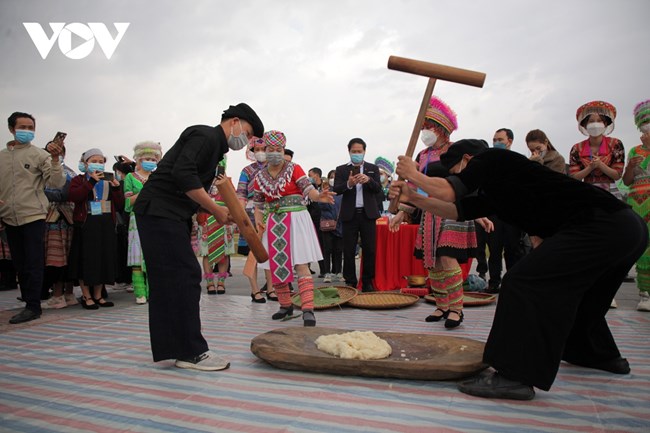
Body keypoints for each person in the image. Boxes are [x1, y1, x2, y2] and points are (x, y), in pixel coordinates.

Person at [390, 139, 647, 400]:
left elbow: (448, 192)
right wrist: (413, 198)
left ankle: (515, 375)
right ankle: (595, 354)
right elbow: (455, 210)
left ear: (468, 159)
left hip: (601, 224)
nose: (459, 178)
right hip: (629, 229)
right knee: (585, 296)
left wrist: (412, 175)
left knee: (522, 283)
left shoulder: (492, 159)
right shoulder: (498, 188)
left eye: (457, 171)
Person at [134, 103, 263, 371]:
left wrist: (218, 210)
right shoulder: (204, 135)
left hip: (170, 214)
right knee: (184, 276)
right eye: (248, 134)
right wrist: (216, 209)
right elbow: (183, 175)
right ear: (235, 121)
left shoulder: (215, 149)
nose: (246, 142)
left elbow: (189, 188)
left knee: (172, 280)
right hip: (160, 211)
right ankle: (191, 351)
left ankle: (176, 348)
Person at [389, 96, 484, 328]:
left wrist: (478, 211)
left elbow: (468, 181)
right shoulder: (421, 156)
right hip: (429, 212)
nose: (425, 131)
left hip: (453, 209)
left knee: (448, 257)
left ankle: (457, 309)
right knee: (434, 262)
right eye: (423, 127)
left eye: (429, 127)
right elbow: (414, 187)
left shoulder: (457, 151)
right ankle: (442, 305)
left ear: (442, 129)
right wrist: (402, 212)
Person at [252, 130, 335, 327]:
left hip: (296, 218)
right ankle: (285, 305)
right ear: (264, 150)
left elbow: (308, 190)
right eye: (270, 149)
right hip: (274, 221)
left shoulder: (294, 168)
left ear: (283, 150)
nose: (274, 152)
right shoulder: (260, 176)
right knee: (277, 265)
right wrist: (258, 223)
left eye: (278, 149)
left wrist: (318, 196)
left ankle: (308, 309)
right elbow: (258, 203)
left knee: (301, 264)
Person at [0, 112, 65, 324]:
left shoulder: (40, 155)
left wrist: (55, 159)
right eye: (23, 127)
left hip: (34, 215)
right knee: (19, 262)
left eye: (31, 128)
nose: (27, 131)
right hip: (9, 216)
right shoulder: (1, 156)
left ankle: (33, 306)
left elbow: (56, 182)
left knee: (33, 261)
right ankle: (28, 300)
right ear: (11, 128)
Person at [569, 100, 626, 307]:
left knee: (611, 240)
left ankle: (609, 292)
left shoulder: (615, 144)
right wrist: (590, 169)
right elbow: (574, 176)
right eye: (591, 121)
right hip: (586, 192)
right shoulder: (577, 148)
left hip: (609, 193)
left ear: (606, 123)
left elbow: (617, 173)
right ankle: (588, 288)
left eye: (599, 120)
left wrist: (600, 164)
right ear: (584, 125)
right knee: (588, 242)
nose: (595, 124)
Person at [67, 148, 124, 309]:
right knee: (87, 259)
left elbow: (120, 205)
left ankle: (98, 295)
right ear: (86, 163)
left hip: (106, 222)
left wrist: (116, 188)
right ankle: (86, 296)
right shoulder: (79, 180)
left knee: (103, 258)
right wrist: (90, 182)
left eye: (101, 162)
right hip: (86, 223)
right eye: (93, 161)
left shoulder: (108, 181)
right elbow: (74, 196)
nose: (97, 165)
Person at [333, 138, 382, 292]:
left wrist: (368, 180)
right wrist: (349, 184)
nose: (356, 154)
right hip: (350, 214)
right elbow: (337, 189)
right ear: (349, 152)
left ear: (364, 152)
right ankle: (350, 281)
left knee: (369, 249)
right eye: (354, 152)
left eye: (359, 152)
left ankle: (367, 281)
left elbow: (378, 189)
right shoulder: (341, 170)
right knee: (348, 249)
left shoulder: (372, 168)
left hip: (368, 214)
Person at [236, 137, 276, 302]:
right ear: (251, 152)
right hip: (251, 212)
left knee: (271, 252)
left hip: (272, 211)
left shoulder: (275, 168)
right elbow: (241, 194)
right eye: (256, 150)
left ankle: (271, 288)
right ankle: (254, 290)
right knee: (253, 252)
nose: (259, 153)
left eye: (263, 149)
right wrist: (241, 214)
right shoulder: (246, 171)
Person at [124, 141, 163, 304]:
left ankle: (152, 291)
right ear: (138, 159)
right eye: (147, 158)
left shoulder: (157, 177)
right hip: (137, 219)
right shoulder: (130, 177)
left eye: (154, 159)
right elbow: (128, 203)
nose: (151, 162)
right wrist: (146, 191)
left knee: (153, 257)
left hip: (155, 219)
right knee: (137, 258)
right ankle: (140, 292)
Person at [41, 144, 78, 309]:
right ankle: (68, 294)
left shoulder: (66, 173)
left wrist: (39, 192)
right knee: (66, 258)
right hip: (68, 218)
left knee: (57, 259)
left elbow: (63, 195)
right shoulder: (71, 172)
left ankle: (58, 296)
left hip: (57, 219)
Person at [623, 99, 650, 311]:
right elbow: (627, 180)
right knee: (643, 246)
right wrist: (631, 166)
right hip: (638, 200)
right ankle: (645, 292)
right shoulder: (634, 151)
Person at [319, 170, 343, 283]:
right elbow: (320, 206)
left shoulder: (342, 193)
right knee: (327, 249)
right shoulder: (325, 192)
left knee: (338, 250)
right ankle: (327, 272)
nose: (333, 179)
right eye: (331, 177)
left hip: (340, 225)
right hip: (327, 225)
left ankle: (338, 272)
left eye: (335, 177)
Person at [307, 167, 326, 277]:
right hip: (312, 218)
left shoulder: (324, 186)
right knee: (312, 243)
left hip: (324, 218)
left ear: (316, 175)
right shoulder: (310, 188)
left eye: (310, 175)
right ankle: (308, 267)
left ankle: (324, 269)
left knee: (322, 244)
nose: (309, 177)